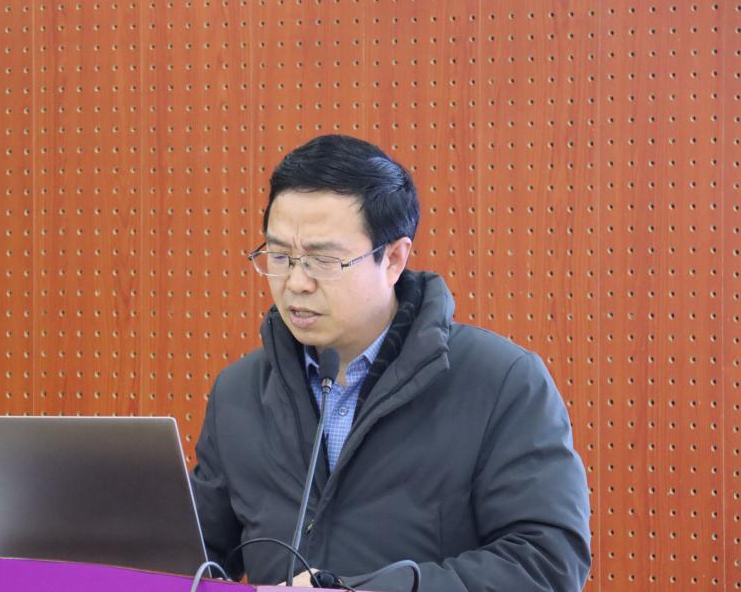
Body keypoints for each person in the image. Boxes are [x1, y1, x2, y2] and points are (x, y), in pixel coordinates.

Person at [190, 135, 591, 591]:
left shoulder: (501, 383)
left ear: (394, 259)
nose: (296, 282)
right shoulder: (239, 392)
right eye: (280, 256)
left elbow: (547, 565)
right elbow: (191, 559)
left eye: (324, 260)